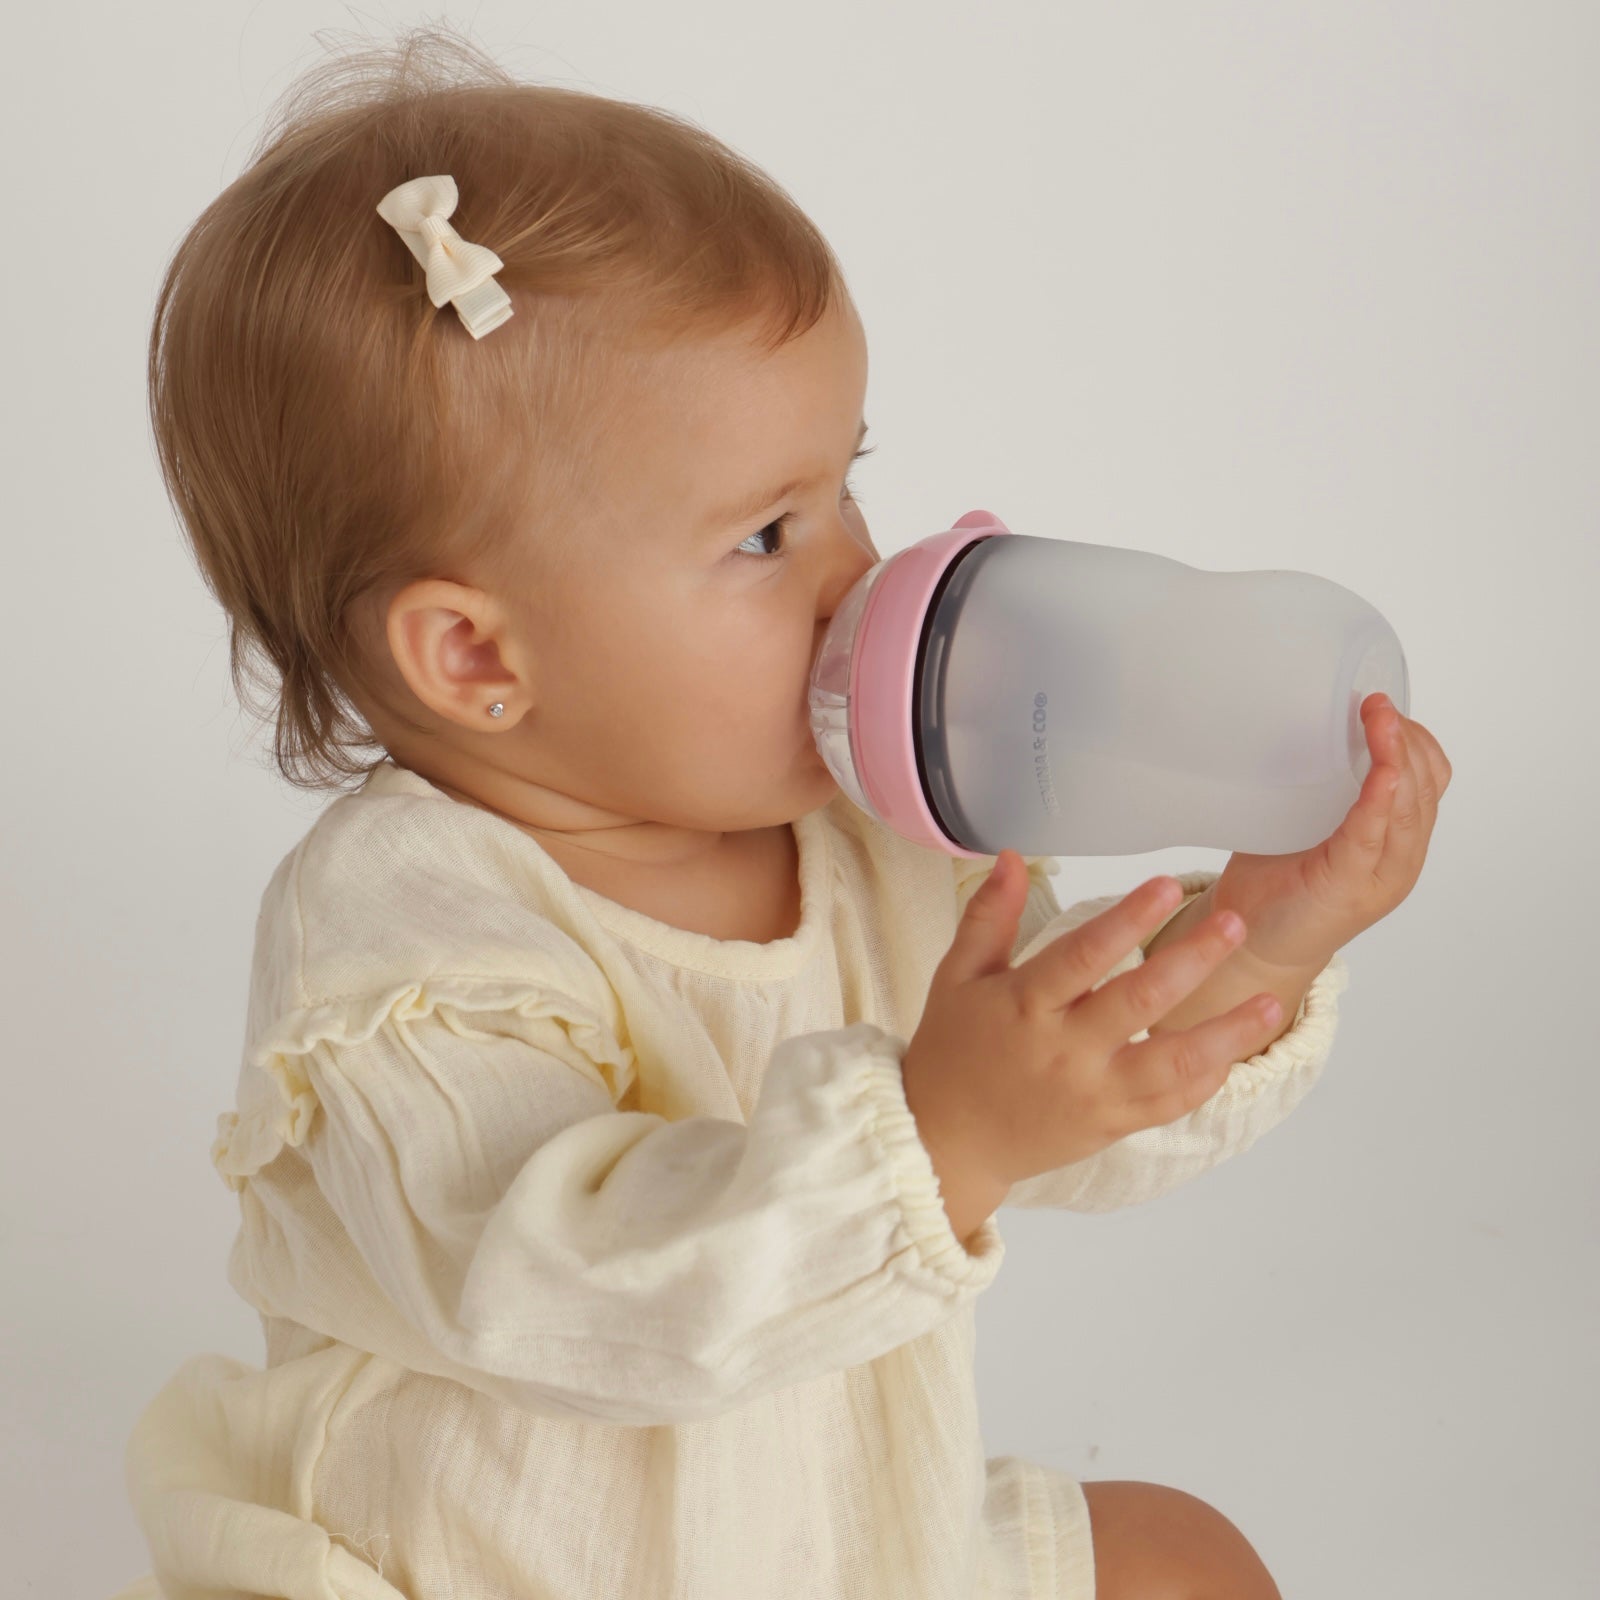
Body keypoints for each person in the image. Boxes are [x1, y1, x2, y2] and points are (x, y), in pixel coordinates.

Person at [112, 23, 1356, 1599]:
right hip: (497, 1572)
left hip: (839, 1548)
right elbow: (573, 1298)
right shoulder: (402, 938)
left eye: (847, 484)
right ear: (478, 655)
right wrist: (939, 1134)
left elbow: (1064, 1094)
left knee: (1182, 1556)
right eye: (767, 536)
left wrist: (1259, 943)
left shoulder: (873, 837)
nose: (859, 574)